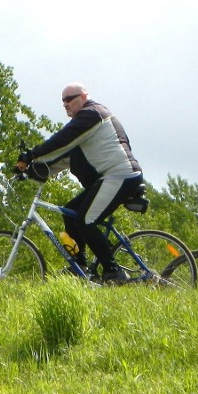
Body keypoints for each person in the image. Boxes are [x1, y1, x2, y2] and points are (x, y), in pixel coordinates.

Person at [16, 82, 144, 284]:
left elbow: (62, 140)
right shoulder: (84, 128)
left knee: (86, 219)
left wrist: (31, 154)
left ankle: (114, 271)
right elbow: (65, 157)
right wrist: (31, 171)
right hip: (110, 177)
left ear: (84, 96)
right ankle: (81, 267)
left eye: (70, 99)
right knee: (71, 212)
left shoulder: (92, 114)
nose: (65, 104)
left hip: (121, 175)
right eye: (62, 101)